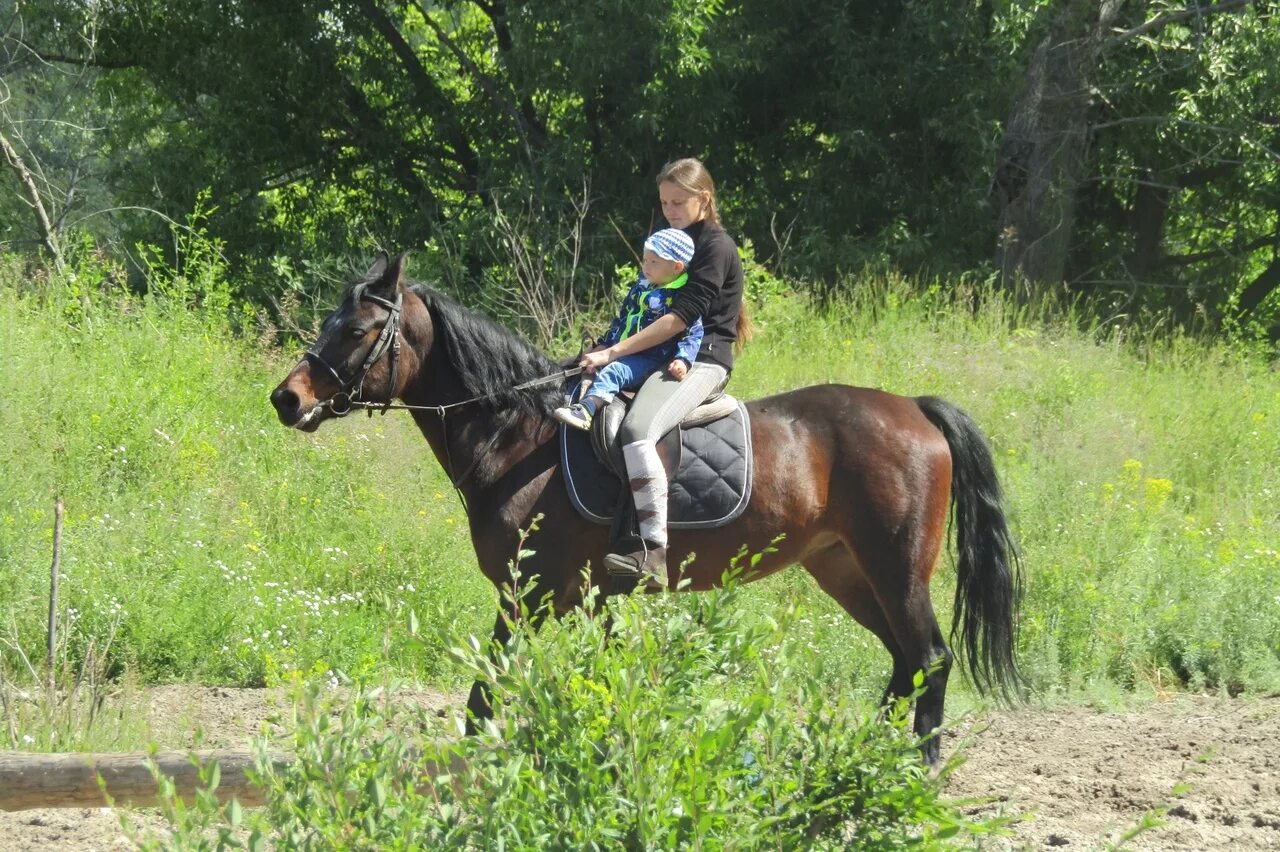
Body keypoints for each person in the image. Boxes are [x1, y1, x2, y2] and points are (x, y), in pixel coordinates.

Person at [577, 157, 747, 590]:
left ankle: (653, 551)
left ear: (703, 199)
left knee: (637, 429)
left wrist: (614, 352)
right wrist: (602, 345)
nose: (670, 210)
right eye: (664, 203)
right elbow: (641, 306)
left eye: (678, 202)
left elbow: (678, 319)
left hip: (698, 360)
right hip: (654, 353)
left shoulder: (716, 248)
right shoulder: (672, 242)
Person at [553, 229, 704, 432]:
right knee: (583, 365)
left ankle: (587, 410)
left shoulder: (681, 296)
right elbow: (623, 320)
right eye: (645, 260)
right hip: (624, 348)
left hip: (650, 358)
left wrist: (683, 359)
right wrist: (604, 344)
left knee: (615, 371)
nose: (645, 266)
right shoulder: (642, 287)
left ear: (677, 267)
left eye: (654, 262)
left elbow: (693, 332)